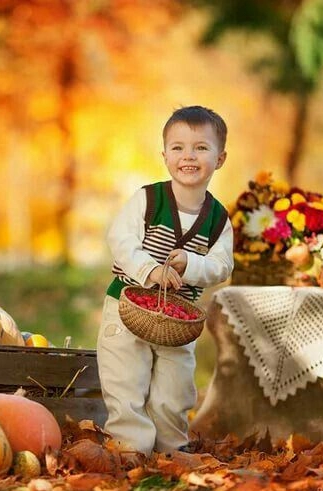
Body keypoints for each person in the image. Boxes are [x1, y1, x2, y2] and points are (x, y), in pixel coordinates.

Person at [97, 105, 234, 455]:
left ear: (220, 158)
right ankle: (131, 451)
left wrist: (190, 263)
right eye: (178, 148)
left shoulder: (218, 218)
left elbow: (221, 265)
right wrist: (150, 270)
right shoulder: (148, 199)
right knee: (126, 383)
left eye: (201, 148)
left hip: (178, 318)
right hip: (128, 308)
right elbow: (121, 239)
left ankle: (172, 451)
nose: (188, 156)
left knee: (174, 391)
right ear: (164, 156)